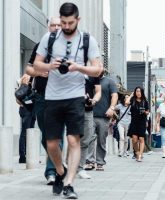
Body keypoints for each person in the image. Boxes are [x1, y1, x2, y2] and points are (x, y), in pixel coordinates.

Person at [34, 3, 103, 198]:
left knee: (73, 140)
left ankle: (69, 184)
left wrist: (78, 67)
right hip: (52, 97)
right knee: (52, 144)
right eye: (62, 22)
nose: (65, 26)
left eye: (69, 22)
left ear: (77, 20)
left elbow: (98, 69)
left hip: (75, 96)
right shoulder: (50, 38)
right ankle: (61, 171)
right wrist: (49, 65)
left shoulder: (88, 40)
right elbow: (36, 65)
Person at [25, 17, 61, 185]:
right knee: (46, 136)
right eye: (53, 25)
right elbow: (28, 68)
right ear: (48, 27)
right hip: (41, 96)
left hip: (61, 97)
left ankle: (52, 171)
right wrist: (39, 73)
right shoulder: (41, 46)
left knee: (56, 135)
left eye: (58, 25)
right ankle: (59, 162)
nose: (55, 27)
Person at [86, 70, 118, 171]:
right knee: (89, 138)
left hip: (104, 115)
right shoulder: (89, 80)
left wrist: (112, 108)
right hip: (90, 114)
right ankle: (90, 161)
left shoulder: (109, 81)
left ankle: (100, 162)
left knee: (101, 140)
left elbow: (115, 95)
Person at [77, 73, 101, 179]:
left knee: (86, 139)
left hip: (87, 110)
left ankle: (80, 168)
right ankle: (68, 166)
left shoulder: (92, 73)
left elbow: (98, 91)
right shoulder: (71, 67)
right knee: (72, 138)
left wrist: (94, 100)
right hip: (71, 109)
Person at [16, 74, 36, 164]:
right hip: (26, 110)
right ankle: (22, 156)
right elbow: (18, 98)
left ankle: (30, 156)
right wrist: (27, 103)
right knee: (25, 132)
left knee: (30, 133)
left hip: (32, 110)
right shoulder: (26, 77)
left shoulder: (35, 79)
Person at [127, 86, 149, 162]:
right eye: (137, 91)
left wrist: (145, 112)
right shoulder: (132, 100)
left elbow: (148, 111)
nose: (138, 93)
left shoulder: (145, 101)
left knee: (141, 139)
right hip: (134, 122)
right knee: (134, 140)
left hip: (142, 122)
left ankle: (140, 155)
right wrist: (131, 95)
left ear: (142, 92)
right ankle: (137, 152)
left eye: (139, 91)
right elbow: (126, 102)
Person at [156, 94, 165, 158]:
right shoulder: (161, 105)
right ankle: (164, 153)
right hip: (163, 123)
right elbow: (158, 115)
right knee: (164, 138)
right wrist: (157, 125)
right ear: (164, 98)